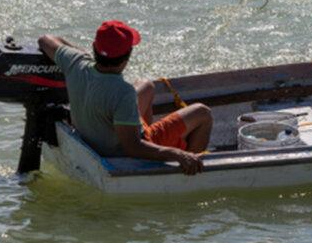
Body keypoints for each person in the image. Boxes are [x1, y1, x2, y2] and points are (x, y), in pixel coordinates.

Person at [38, 21, 213, 174]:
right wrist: (177, 154)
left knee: (146, 86)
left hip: (93, 134)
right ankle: (190, 165)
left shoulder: (75, 62)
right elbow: (133, 147)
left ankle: (156, 149)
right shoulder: (123, 92)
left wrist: (83, 55)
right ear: (126, 58)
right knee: (202, 113)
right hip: (121, 151)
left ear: (95, 47)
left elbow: (45, 39)